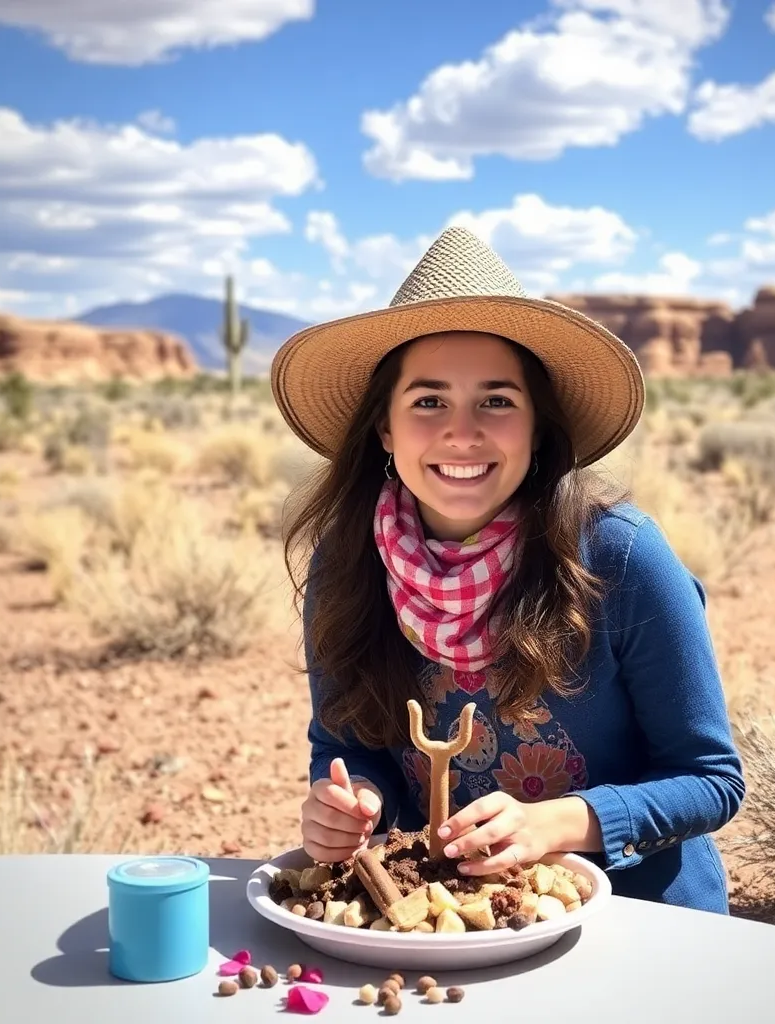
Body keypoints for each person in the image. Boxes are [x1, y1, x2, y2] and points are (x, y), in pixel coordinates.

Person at [270, 227, 745, 915]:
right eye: (428, 401)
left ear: (538, 428)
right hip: (449, 922)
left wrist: (561, 822)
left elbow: (709, 779)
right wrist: (353, 801)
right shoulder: (346, 566)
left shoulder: (622, 558)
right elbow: (344, 743)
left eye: (496, 400)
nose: (462, 432)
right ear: (384, 429)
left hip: (640, 919)